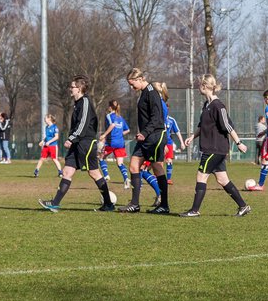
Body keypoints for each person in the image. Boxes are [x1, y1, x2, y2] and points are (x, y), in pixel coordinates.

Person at [38, 76, 115, 213]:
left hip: (85, 143)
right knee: (67, 171)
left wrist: (72, 138)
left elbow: (83, 124)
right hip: (77, 143)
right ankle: (55, 203)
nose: (70, 89)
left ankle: (108, 204)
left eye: (72, 87)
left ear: (79, 89)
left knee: (94, 173)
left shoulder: (85, 101)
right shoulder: (77, 103)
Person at [179, 74, 252, 217]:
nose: (198, 87)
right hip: (212, 148)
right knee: (222, 179)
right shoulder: (207, 105)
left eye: (200, 84)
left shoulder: (218, 106)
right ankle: (243, 206)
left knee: (201, 176)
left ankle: (194, 210)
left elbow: (228, 126)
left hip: (215, 149)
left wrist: (239, 143)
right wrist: (192, 137)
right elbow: (202, 126)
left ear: (205, 86)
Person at [120, 68, 170, 214]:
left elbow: (156, 118)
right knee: (134, 166)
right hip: (146, 137)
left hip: (154, 136)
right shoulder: (144, 93)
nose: (131, 87)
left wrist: (145, 132)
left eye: (132, 84)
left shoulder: (152, 92)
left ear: (140, 79)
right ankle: (134, 204)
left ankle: (164, 205)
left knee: (157, 168)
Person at [99, 100, 131, 188]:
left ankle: (106, 175)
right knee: (120, 163)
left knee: (101, 158)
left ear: (110, 107)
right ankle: (126, 179)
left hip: (111, 142)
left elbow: (112, 125)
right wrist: (120, 134)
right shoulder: (120, 117)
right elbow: (128, 130)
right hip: (120, 143)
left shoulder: (109, 116)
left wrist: (104, 135)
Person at [33, 114, 63, 178]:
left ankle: (60, 172)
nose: (44, 119)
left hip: (53, 146)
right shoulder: (46, 127)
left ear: (49, 119)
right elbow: (47, 137)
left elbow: (56, 137)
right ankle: (36, 171)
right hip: (46, 146)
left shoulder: (55, 127)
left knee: (54, 159)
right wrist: (43, 141)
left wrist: (49, 142)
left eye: (45, 118)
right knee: (42, 158)